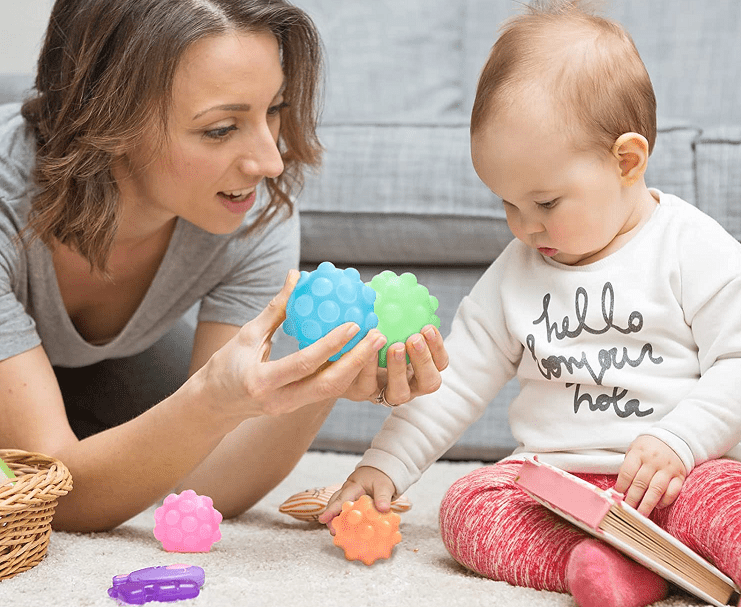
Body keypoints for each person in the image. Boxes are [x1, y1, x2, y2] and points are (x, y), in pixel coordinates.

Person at [319, 0, 741, 607]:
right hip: (557, 490)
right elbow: (455, 380)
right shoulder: (515, 272)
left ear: (626, 162)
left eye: (545, 202)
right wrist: (383, 467)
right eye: (507, 204)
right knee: (467, 508)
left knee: (734, 500)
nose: (524, 226)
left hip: (679, 477)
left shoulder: (692, 247)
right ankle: (606, 565)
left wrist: (681, 441)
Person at [0, 0, 448, 533]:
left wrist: (332, 373)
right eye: (219, 129)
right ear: (105, 118)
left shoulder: (251, 212)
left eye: (273, 110)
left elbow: (209, 486)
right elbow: (54, 498)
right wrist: (209, 404)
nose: (270, 161)